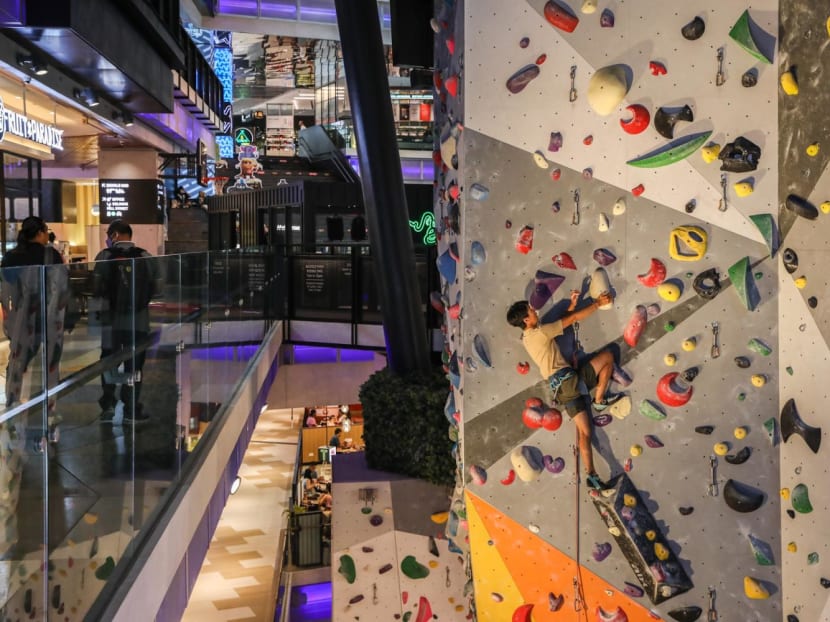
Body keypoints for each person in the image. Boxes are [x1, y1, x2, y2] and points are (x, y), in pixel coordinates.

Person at [506, 290, 622, 490]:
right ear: (526, 319)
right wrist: (597, 303)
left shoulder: (528, 336)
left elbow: (560, 323)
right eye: (531, 310)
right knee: (608, 357)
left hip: (562, 387)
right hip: (569, 381)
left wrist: (570, 306)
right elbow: (573, 319)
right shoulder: (540, 332)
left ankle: (592, 475)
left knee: (584, 432)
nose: (535, 310)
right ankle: (599, 399)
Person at [0, 216, 71, 443]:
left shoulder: (11, 257)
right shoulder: (51, 255)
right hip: (50, 321)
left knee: (18, 363)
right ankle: (49, 415)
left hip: (23, 321)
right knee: (50, 366)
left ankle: (11, 410)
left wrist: (10, 320)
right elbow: (63, 289)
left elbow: (5, 292)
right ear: (40, 232)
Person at [93, 220, 161, 424]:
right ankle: (131, 408)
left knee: (109, 362)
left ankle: (108, 406)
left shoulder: (104, 257)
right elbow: (157, 288)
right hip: (139, 322)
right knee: (135, 365)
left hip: (111, 323)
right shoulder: (145, 256)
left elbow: (96, 288)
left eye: (108, 234)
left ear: (115, 235)